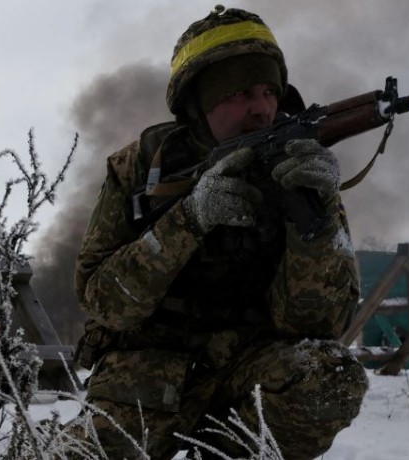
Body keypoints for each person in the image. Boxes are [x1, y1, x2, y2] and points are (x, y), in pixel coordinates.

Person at [73, 6, 368, 459]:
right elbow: (102, 302)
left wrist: (316, 217)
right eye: (241, 92)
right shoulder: (140, 167)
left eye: (271, 91)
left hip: (249, 370)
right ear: (198, 101)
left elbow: (318, 326)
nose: (262, 109)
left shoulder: (298, 165)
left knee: (331, 375)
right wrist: (188, 220)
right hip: (148, 377)